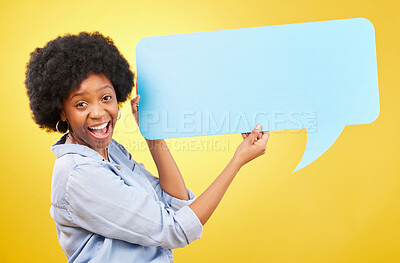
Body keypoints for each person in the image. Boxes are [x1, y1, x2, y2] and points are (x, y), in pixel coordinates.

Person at [25, 32, 270, 262]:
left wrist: (153, 136)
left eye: (106, 97)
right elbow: (176, 230)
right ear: (62, 112)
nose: (98, 112)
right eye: (81, 104)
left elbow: (176, 202)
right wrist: (237, 161)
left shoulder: (110, 151)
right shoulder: (79, 174)